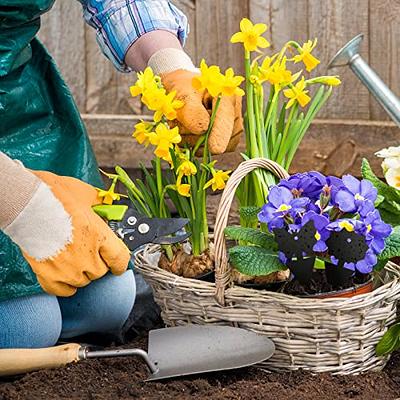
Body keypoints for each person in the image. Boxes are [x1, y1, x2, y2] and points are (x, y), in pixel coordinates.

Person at [0, 0, 243, 349]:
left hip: (18, 99)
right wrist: (17, 201)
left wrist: (171, 68)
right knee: (28, 328)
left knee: (108, 301)